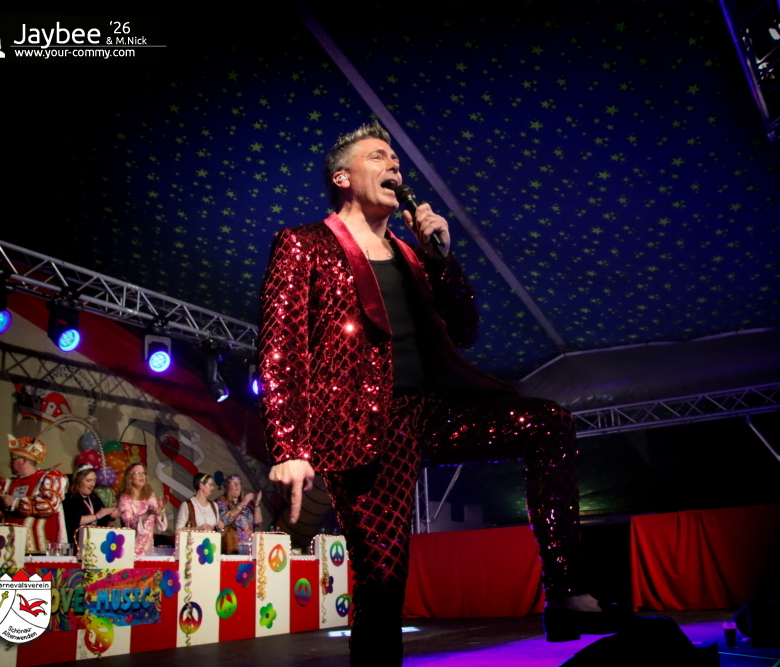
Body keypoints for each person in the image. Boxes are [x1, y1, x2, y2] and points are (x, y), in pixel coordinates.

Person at [259, 123, 606, 664]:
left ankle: (565, 592)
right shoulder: (304, 243)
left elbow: (464, 331)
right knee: (383, 574)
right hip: (363, 429)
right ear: (343, 177)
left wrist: (442, 258)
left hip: (433, 411)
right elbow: (281, 347)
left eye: (397, 160)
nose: (395, 166)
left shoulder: (412, 253)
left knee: (549, 423)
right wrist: (289, 445)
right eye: (379, 156)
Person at [0, 436, 68, 554]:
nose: (9, 464)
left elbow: (49, 505)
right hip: (7, 549)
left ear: (23, 460)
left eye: (13, 460)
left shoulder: (47, 478)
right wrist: (0, 504)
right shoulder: (5, 484)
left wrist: (16, 503)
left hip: (39, 550)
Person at [63, 463, 120, 546]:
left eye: (94, 480)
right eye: (88, 480)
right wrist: (96, 516)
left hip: (96, 545)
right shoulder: (69, 499)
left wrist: (111, 518)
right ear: (78, 480)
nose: (92, 484)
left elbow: (105, 527)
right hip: (76, 545)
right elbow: (74, 520)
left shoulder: (95, 499)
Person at [118, 463, 167, 557]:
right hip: (132, 547)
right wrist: (146, 514)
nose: (141, 475)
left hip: (148, 548)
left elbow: (158, 521)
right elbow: (128, 524)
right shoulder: (125, 498)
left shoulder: (150, 496)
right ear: (130, 478)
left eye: (143, 473)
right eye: (137, 473)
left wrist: (161, 510)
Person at [214, 475, 262, 544]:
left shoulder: (247, 506)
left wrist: (257, 504)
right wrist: (243, 503)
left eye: (238, 483)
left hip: (249, 545)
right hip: (232, 545)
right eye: (233, 483)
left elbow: (258, 523)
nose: (237, 485)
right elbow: (224, 520)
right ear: (227, 487)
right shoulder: (221, 501)